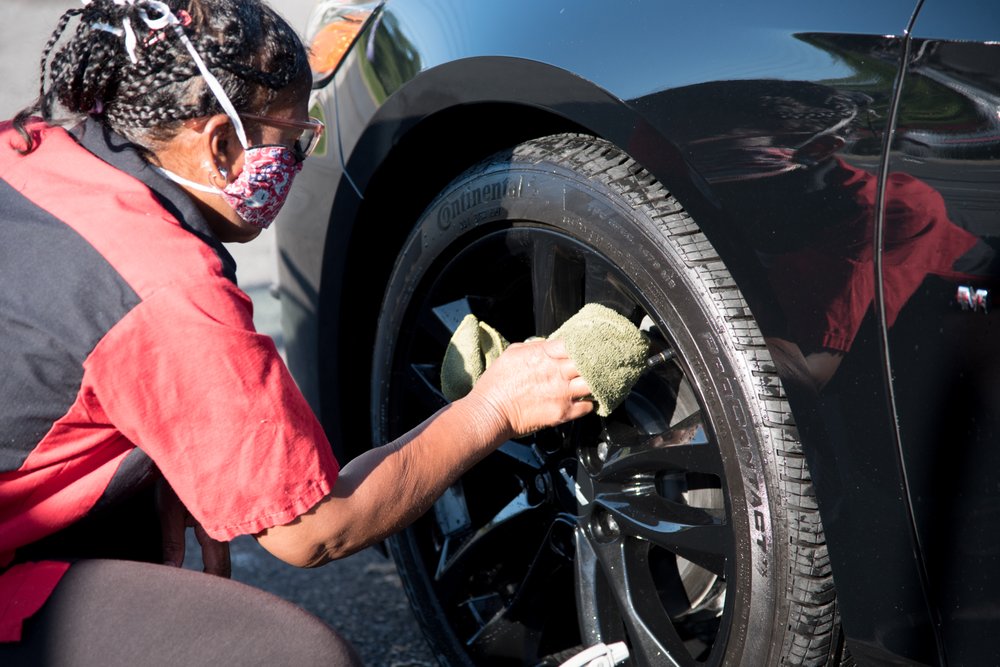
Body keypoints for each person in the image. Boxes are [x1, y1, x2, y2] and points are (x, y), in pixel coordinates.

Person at [0, 1, 594, 664]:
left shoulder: (27, 146)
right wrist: (494, 408)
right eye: (293, 138)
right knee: (301, 656)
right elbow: (316, 531)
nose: (298, 157)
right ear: (222, 145)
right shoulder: (170, 290)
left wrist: (169, 439)